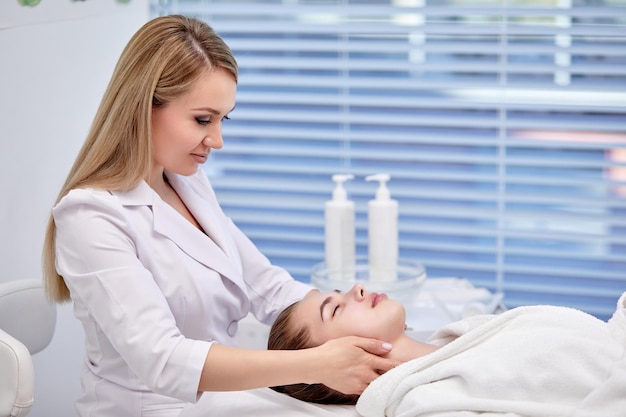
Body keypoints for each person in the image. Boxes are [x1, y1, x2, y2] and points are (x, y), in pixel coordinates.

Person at [41, 14, 399, 417]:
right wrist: (318, 363)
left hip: (217, 402)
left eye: (223, 119)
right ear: (143, 108)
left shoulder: (187, 183)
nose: (218, 140)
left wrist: (354, 318)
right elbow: (162, 358)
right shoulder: (90, 217)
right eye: (202, 119)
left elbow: (266, 287)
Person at [269, 284, 626, 417]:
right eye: (336, 309)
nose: (358, 288)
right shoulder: (423, 403)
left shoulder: (467, 334)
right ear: (334, 364)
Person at [268, 283, 439, 405]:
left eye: (341, 292)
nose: (358, 287)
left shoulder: (459, 336)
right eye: (335, 309)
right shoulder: (427, 403)